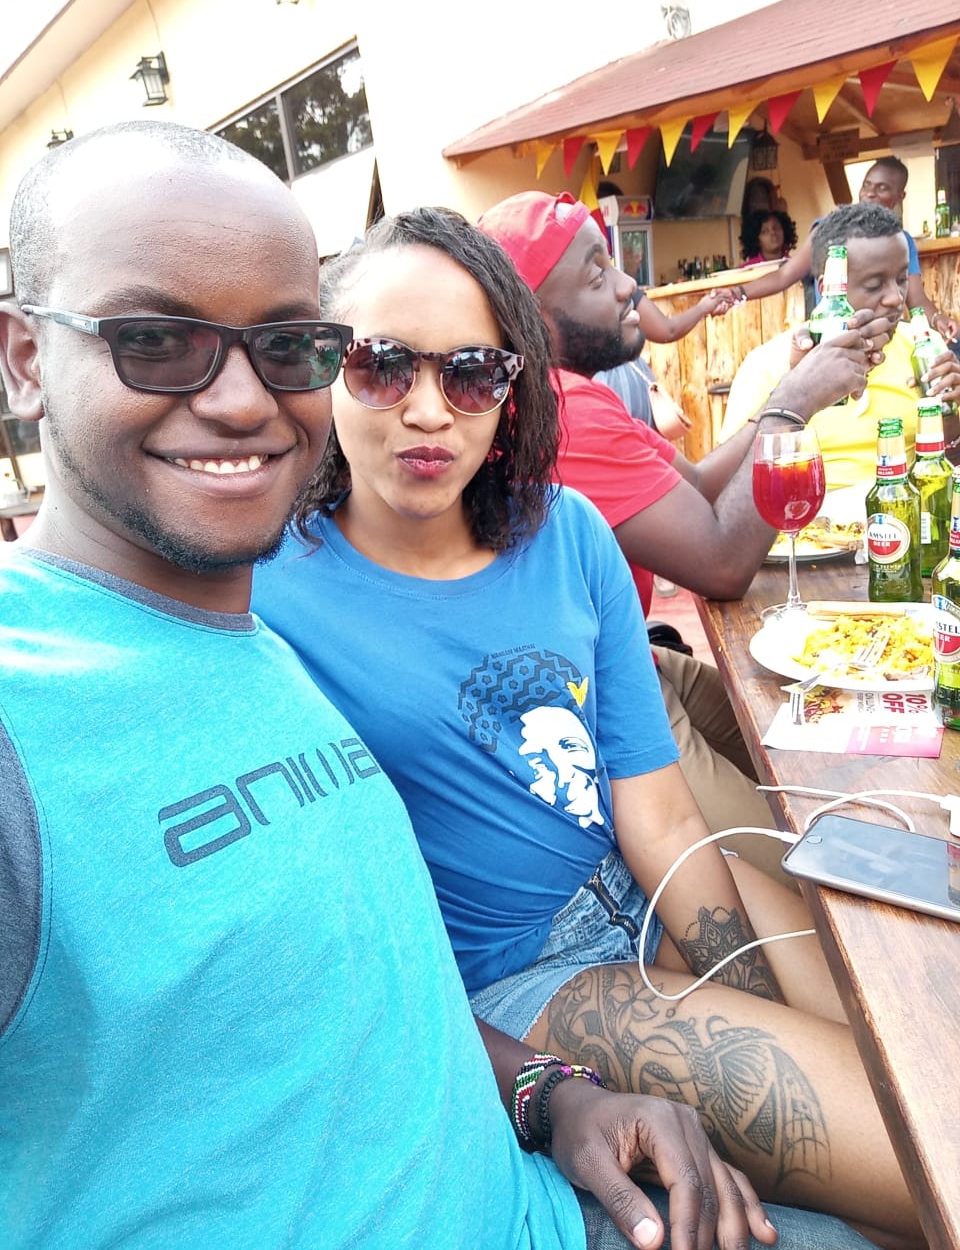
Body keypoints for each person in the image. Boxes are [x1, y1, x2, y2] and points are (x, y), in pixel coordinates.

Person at [0, 121, 807, 1250]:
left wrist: (552, 1097)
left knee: (896, 1024)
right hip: (540, 980)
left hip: (561, 1116)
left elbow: (389, 986)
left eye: (287, 346)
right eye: (156, 340)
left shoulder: (250, 633)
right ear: (26, 357)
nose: (239, 400)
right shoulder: (196, 620)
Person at [252, 204, 917, 1249]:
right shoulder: (263, 596)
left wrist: (745, 997)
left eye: (471, 373)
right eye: (383, 365)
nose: (428, 410)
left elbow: (658, 813)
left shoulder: (566, 532)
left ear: (511, 384)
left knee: (921, 1042)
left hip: (648, 885)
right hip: (524, 974)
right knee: (923, 1141)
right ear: (328, 364)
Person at [474, 190, 887, 881]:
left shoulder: (575, 394)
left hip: (631, 660)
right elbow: (722, 564)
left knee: (815, 742)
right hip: (596, 703)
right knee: (808, 862)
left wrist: (789, 390)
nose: (629, 286)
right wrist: (793, 408)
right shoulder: (559, 414)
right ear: (535, 319)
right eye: (597, 273)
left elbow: (698, 486)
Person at [721, 202, 960, 480]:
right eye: (874, 285)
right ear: (828, 289)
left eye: (901, 279)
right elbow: (728, 483)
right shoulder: (767, 365)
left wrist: (951, 409)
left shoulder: (923, 349)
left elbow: (946, 460)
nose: (896, 298)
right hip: (809, 506)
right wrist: (796, 392)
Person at [737, 157, 959, 341]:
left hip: (883, 341)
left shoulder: (902, 242)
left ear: (900, 197)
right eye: (866, 185)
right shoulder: (831, 230)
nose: (870, 193)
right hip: (833, 339)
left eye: (882, 188)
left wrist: (938, 319)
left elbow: (916, 299)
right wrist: (739, 293)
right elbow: (784, 275)